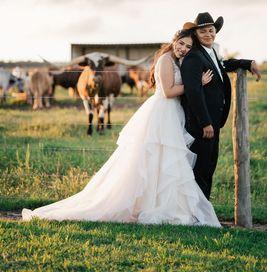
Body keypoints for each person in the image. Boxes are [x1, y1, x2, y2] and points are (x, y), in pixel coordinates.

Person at [22, 26, 220, 227]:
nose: (184, 49)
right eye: (181, 44)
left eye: (188, 46)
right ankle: (141, 205)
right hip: (162, 112)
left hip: (171, 113)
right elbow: (168, 92)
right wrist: (197, 84)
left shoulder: (177, 60)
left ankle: (157, 203)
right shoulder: (166, 60)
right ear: (173, 41)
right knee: (151, 158)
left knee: (162, 160)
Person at [180, 12, 261, 200]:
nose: (208, 34)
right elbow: (192, 92)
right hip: (202, 124)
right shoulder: (194, 56)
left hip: (214, 122)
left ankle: (203, 211)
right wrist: (205, 122)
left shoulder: (210, 52)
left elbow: (222, 65)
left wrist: (248, 63)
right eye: (203, 32)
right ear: (196, 34)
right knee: (200, 170)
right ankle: (197, 215)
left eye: (211, 30)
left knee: (209, 167)